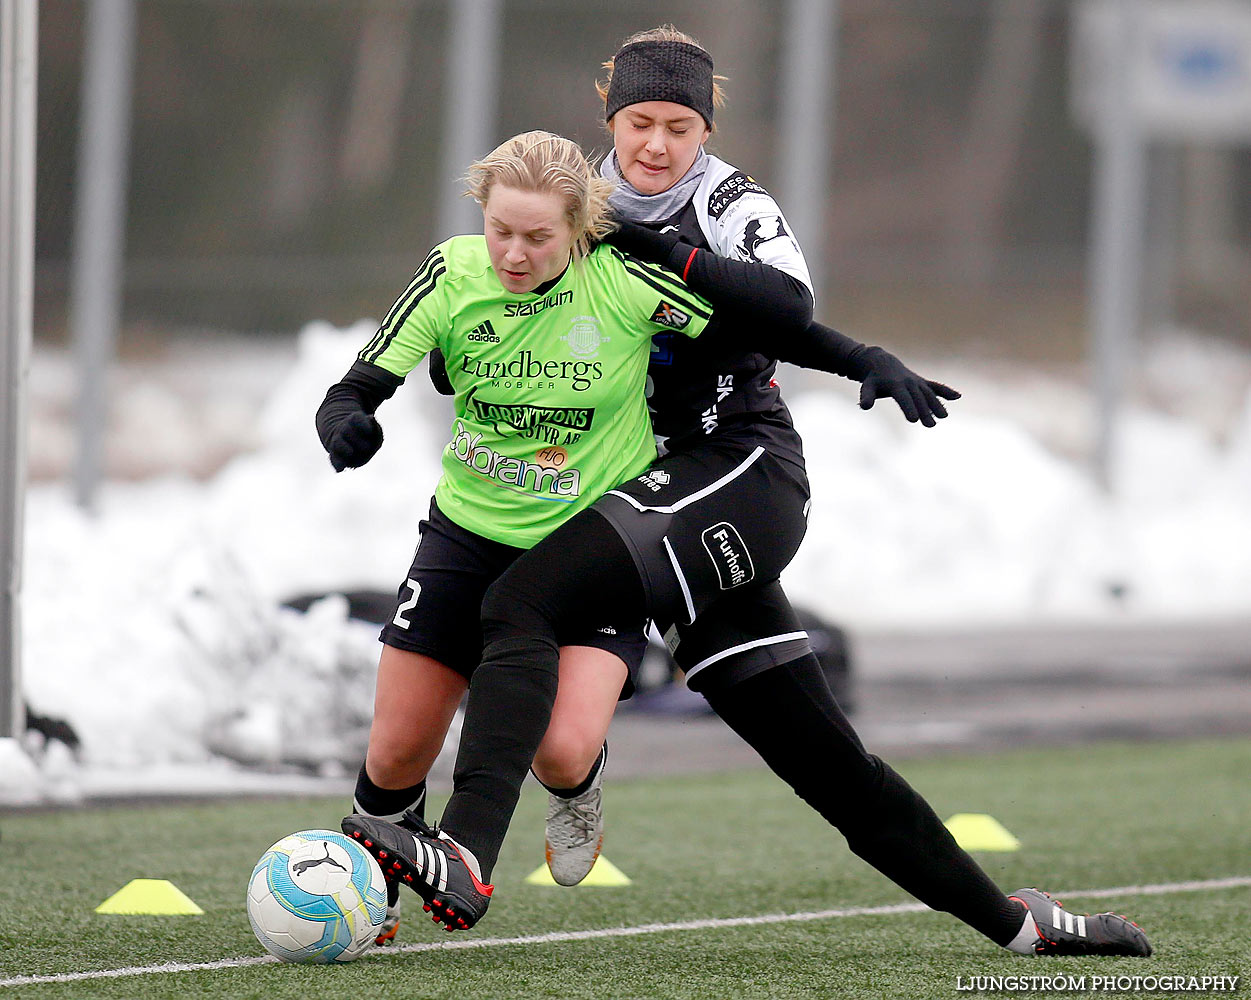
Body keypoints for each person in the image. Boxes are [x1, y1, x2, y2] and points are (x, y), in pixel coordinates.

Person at [342, 26, 1152, 961]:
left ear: (704, 129)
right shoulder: (569, 202)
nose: (655, 145)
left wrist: (858, 355)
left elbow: (784, 310)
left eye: (678, 127)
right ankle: (1019, 926)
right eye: (639, 123)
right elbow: (494, 310)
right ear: (610, 117)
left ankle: (468, 857)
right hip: (641, 501)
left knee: (520, 599)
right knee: (821, 759)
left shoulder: (727, 202)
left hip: (733, 472)